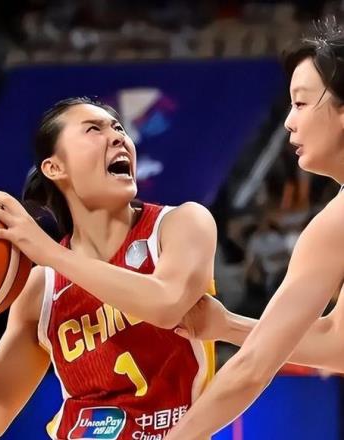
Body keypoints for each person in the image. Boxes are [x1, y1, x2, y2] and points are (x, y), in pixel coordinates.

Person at [0, 97, 217, 440]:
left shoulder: (180, 224)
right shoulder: (42, 288)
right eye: (94, 130)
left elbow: (167, 306)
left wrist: (49, 252)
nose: (118, 137)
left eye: (119, 128)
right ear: (54, 167)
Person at [166, 19, 344, 440]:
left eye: (301, 103)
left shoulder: (334, 226)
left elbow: (251, 368)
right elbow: (338, 342)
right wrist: (228, 326)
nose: (288, 122)